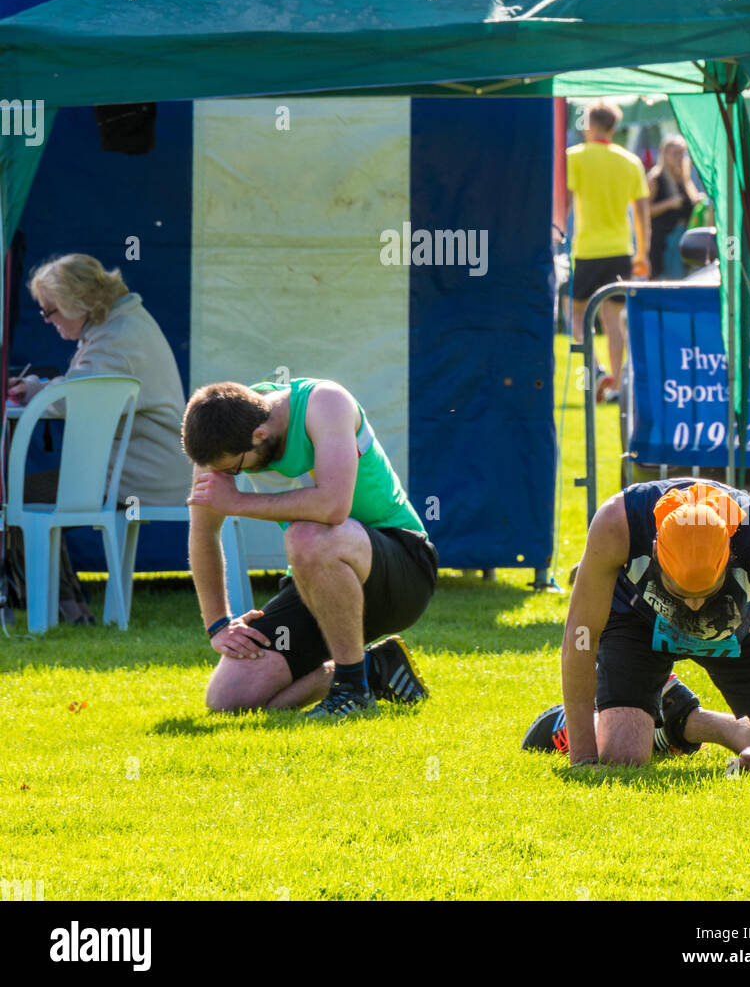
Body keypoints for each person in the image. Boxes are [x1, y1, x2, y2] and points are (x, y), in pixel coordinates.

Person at [182, 374, 437, 720]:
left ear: (260, 436)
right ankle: (374, 669)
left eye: (236, 469)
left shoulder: (326, 403)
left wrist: (237, 502)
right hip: (318, 582)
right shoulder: (220, 437)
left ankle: (352, 692)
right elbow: (204, 534)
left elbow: (333, 507)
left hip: (403, 569)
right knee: (228, 701)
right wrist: (218, 624)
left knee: (306, 535)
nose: (231, 477)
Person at [549, 478, 750, 772]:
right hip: (638, 622)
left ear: (729, 557)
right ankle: (568, 720)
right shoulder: (617, 521)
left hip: (740, 625)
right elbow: (580, 637)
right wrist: (583, 758)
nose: (695, 606)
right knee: (622, 758)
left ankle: (684, 717)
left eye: (707, 593)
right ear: (656, 552)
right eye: (680, 593)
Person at [7, 254, 191, 621]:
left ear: (77, 302)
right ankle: (66, 605)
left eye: (50, 311)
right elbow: (85, 387)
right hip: (149, 468)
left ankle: (62, 608)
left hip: (145, 476)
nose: (47, 320)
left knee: (15, 499)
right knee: (23, 497)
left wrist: (35, 388)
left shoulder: (117, 336)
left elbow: (79, 399)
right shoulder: (122, 323)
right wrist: (42, 387)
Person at [566, 101, 650, 399]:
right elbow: (642, 213)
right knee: (613, 320)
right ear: (615, 127)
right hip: (620, 249)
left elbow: (562, 202)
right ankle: (616, 384)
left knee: (575, 313)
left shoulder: (574, 158)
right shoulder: (630, 161)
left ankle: (598, 368)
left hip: (588, 248)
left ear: (589, 124)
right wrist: (643, 253)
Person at [647, 135, 701, 278]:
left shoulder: (684, 178)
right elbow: (645, 211)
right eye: (675, 153)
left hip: (686, 238)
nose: (680, 157)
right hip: (665, 241)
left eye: (682, 153)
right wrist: (668, 204)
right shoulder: (655, 178)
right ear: (665, 154)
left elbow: (694, 202)